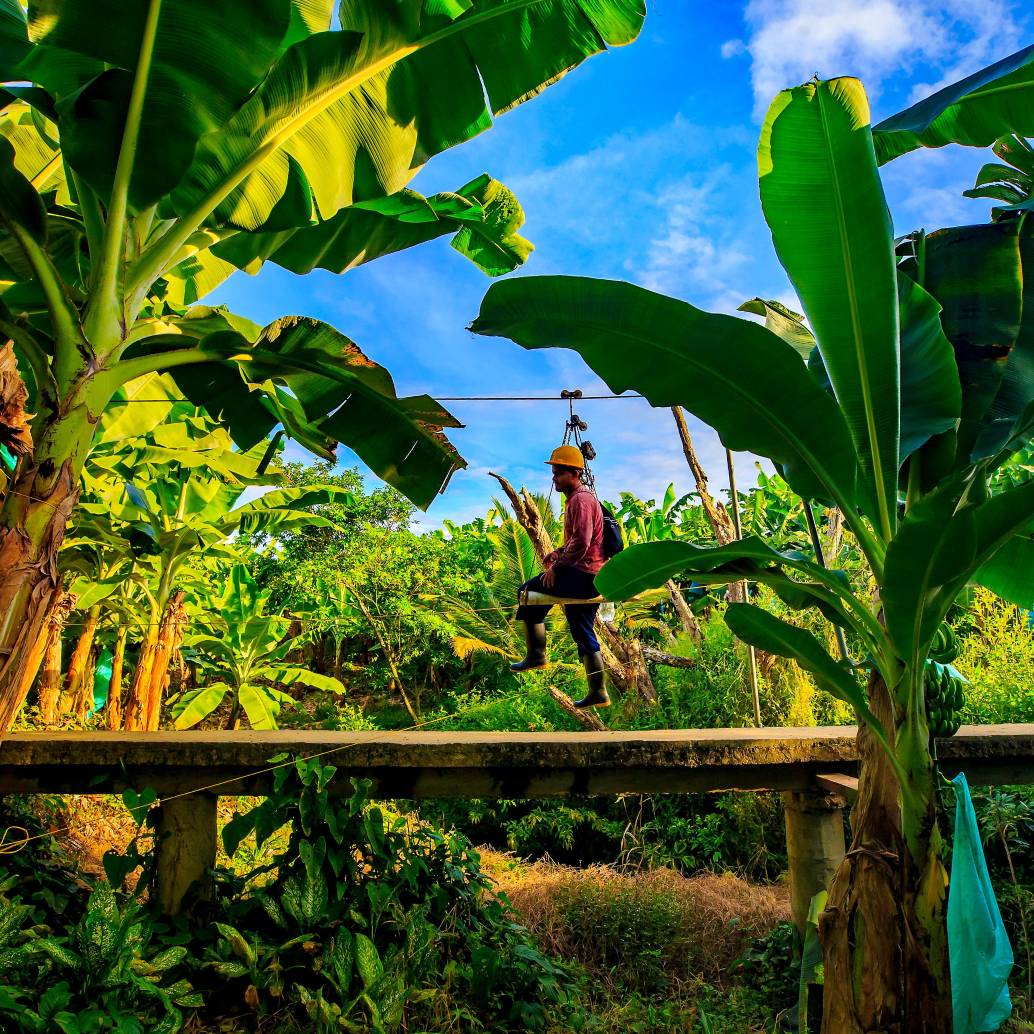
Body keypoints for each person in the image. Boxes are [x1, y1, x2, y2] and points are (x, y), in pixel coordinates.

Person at [510, 445, 609, 708]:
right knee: (582, 630)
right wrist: (556, 552)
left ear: (575, 473)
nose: (554, 478)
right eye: (553, 473)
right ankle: (598, 692)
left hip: (583, 576)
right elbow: (577, 540)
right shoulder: (581, 500)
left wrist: (557, 568)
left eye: (558, 473)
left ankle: (537, 655)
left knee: (527, 594)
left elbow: (582, 543)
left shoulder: (581, 500)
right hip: (593, 576)